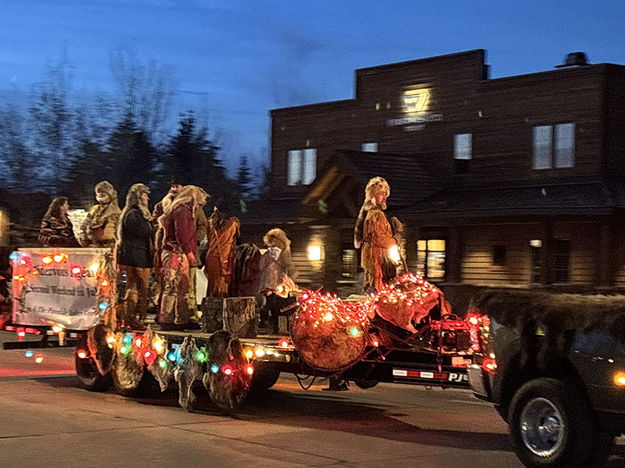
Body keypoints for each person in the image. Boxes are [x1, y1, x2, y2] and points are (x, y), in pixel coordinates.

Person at [157, 185, 208, 330]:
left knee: (181, 287)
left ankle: (178, 319)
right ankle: (168, 320)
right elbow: (182, 234)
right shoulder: (183, 212)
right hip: (176, 253)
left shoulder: (178, 209)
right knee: (174, 286)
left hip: (177, 252)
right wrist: (189, 251)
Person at [116, 183, 153, 327]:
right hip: (138, 257)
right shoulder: (135, 214)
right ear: (138, 197)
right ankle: (135, 318)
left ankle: (130, 316)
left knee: (132, 288)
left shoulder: (128, 213)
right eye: (144, 195)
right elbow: (145, 232)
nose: (147, 198)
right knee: (140, 289)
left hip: (132, 256)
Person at [354, 176, 397, 293]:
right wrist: (394, 241)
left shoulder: (373, 213)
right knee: (377, 283)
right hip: (376, 255)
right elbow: (378, 238)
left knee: (374, 282)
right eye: (381, 194)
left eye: (385, 194)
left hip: (375, 255)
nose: (384, 197)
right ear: (373, 195)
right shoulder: (376, 215)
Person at [204, 207, 240, 297]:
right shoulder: (233, 223)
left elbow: (208, 239)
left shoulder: (210, 222)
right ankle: (222, 307)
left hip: (211, 256)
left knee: (212, 285)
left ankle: (211, 307)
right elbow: (238, 238)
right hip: (226, 257)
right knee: (224, 285)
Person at [80, 181, 121, 248]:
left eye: (103, 192)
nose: (101, 194)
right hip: (91, 245)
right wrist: (84, 239)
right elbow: (85, 225)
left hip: (109, 246)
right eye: (99, 192)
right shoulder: (94, 210)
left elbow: (119, 231)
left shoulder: (116, 212)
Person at [187, 199, 208, 316]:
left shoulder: (197, 209)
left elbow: (202, 226)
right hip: (173, 251)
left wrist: (194, 241)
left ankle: (190, 314)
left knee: (190, 285)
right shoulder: (169, 205)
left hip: (190, 252)